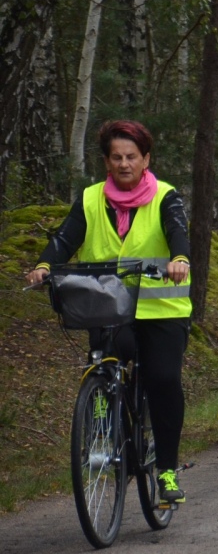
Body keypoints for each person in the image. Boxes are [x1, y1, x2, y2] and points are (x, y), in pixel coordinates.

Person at [27, 120, 193, 504]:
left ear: (145, 159)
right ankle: (105, 428)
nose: (124, 164)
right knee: (105, 359)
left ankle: (166, 469)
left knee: (163, 378)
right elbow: (66, 237)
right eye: (116, 157)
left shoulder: (166, 196)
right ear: (106, 162)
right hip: (107, 306)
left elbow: (176, 232)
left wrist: (180, 257)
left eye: (131, 157)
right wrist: (44, 265)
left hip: (162, 307)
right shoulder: (90, 200)